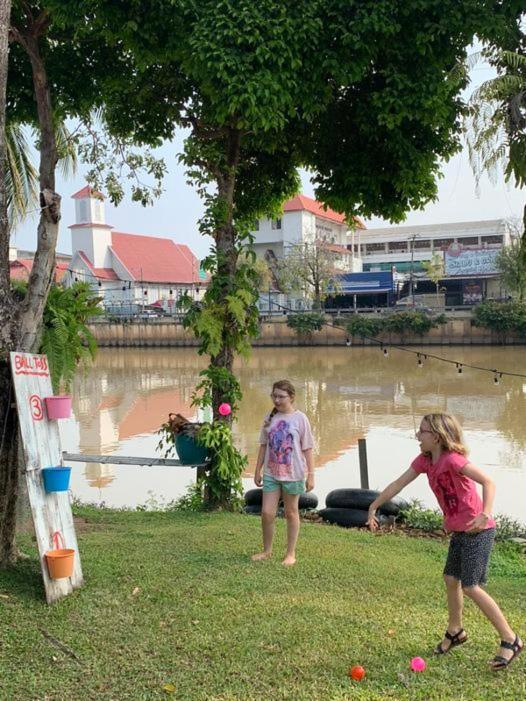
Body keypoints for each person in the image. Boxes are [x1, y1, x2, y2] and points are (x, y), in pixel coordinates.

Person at [366, 413, 522, 671]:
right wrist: (374, 505)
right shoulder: (425, 461)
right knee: (451, 580)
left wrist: (486, 513)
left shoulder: (453, 460)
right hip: (460, 532)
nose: (417, 435)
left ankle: (510, 638)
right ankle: (455, 630)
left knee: (471, 587)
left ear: (436, 437)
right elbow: (398, 484)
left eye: (422, 432)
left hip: (478, 531)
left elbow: (488, 481)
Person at [252, 380, 314, 566]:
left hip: (293, 473)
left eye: (281, 396)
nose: (277, 400)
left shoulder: (300, 419)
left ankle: (290, 554)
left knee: (291, 513)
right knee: (267, 513)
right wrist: (257, 470)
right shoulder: (269, 417)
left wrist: (311, 474)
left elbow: (308, 448)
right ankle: (267, 550)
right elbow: (263, 446)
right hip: (271, 472)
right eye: (274, 396)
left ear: (291, 397)